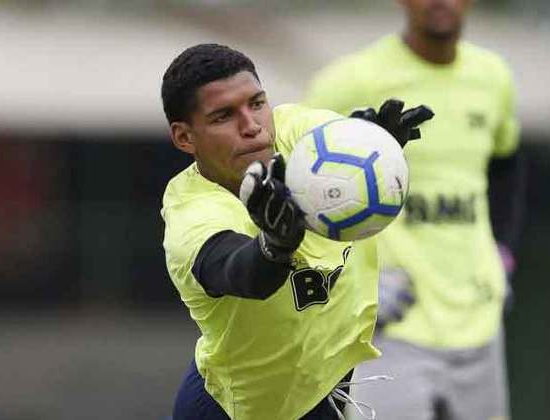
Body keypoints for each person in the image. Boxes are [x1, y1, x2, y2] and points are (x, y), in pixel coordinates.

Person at [160, 43, 433, 420]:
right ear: (184, 138)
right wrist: (275, 246)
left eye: (256, 103)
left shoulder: (295, 132)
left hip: (324, 393)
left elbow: (343, 145)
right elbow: (243, 274)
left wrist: (372, 147)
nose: (251, 125)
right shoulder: (192, 212)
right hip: (241, 411)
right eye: (224, 116)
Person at [305, 1, 526, 419]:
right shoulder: (349, 81)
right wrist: (349, 285)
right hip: (390, 327)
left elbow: (507, 165)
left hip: (477, 322)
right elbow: (301, 189)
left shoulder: (493, 77)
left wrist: (503, 254)